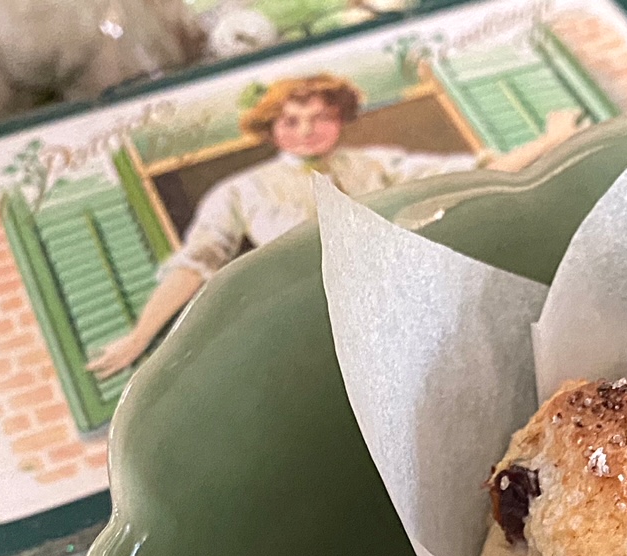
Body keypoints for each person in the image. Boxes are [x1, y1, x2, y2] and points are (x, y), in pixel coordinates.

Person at [87, 72, 584, 378]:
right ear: (270, 128)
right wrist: (139, 336)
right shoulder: (242, 191)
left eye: (320, 117)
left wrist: (550, 138)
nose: (306, 130)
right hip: (310, 328)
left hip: (402, 303)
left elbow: (479, 174)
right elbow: (196, 264)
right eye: (291, 120)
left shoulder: (376, 165)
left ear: (341, 120)